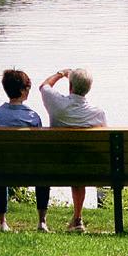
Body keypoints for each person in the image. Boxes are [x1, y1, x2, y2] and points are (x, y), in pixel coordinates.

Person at [0, 66, 48, 232]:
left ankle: (2, 222)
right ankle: (41, 221)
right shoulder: (33, 117)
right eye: (28, 88)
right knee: (43, 174)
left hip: (1, 168)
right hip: (30, 169)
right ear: (23, 91)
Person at [40, 67, 102, 231]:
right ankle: (77, 218)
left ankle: (48, 220)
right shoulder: (97, 113)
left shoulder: (57, 104)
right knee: (80, 161)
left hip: (57, 164)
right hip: (85, 167)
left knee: (75, 160)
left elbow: (44, 86)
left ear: (70, 86)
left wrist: (61, 74)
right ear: (89, 88)